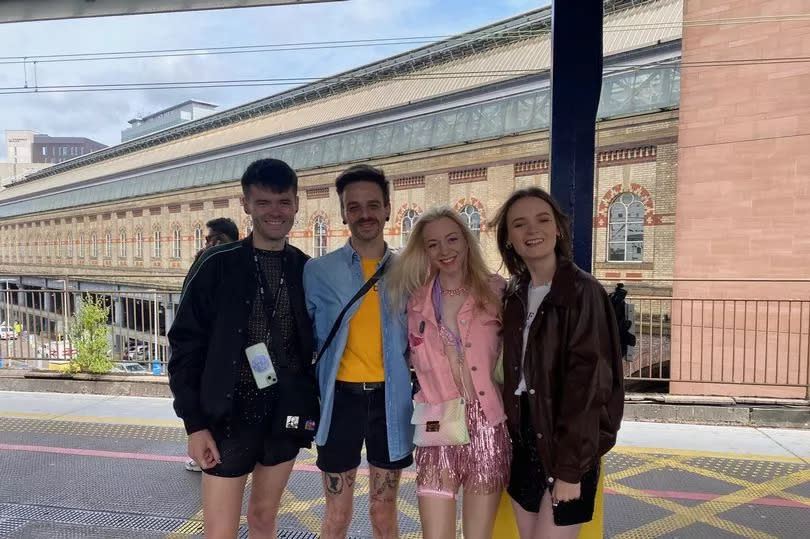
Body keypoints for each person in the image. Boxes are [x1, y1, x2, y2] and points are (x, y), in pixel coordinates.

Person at [168, 158, 317, 539]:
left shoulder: (305, 269)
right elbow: (185, 345)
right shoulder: (216, 265)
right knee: (220, 531)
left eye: (283, 202)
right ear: (246, 205)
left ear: (297, 204)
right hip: (226, 419)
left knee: (265, 519)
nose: (275, 212)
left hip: (282, 417)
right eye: (264, 202)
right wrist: (194, 424)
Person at [492, 187, 624, 539]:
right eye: (518, 224)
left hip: (565, 442)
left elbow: (590, 386)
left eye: (542, 220)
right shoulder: (515, 294)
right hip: (523, 438)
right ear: (509, 239)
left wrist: (570, 470)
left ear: (559, 229)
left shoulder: (582, 292)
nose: (531, 230)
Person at [303, 164, 413, 539]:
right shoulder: (317, 271)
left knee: (384, 511)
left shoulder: (409, 270)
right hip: (340, 403)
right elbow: (303, 340)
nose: (364, 214)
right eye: (354, 207)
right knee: (338, 514)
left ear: (388, 208)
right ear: (344, 212)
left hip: (391, 403)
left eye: (372, 205)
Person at [386, 206, 510, 539]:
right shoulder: (412, 300)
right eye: (433, 244)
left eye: (452, 239)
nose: (445, 251)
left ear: (467, 242)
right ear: (423, 251)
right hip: (437, 424)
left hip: (487, 427)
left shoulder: (497, 291)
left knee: (477, 536)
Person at [183, 216, 240, 473]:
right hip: (204, 348)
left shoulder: (237, 262)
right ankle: (203, 450)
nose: (212, 244)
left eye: (219, 239)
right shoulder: (202, 262)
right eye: (209, 239)